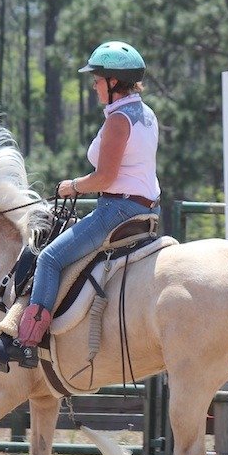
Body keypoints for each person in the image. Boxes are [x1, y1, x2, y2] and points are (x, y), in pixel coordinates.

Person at [16, 40, 161, 352]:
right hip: (145, 207)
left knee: (50, 259)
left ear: (112, 82)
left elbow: (105, 177)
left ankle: (28, 341)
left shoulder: (118, 121)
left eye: (97, 80)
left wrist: (73, 185)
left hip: (117, 210)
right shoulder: (145, 113)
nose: (94, 86)